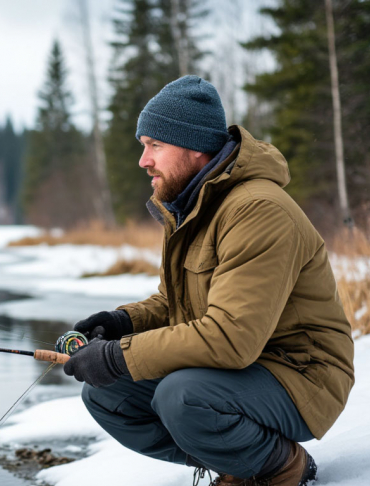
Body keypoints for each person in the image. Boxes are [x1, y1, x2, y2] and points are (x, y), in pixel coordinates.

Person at [63, 75, 354, 486]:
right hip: (243, 369)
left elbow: (232, 338)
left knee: (181, 395)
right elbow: (174, 303)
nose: (143, 160)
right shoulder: (193, 206)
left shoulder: (257, 210)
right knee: (107, 393)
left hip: (302, 374)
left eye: (155, 146)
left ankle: (279, 466)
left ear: (195, 146)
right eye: (143, 146)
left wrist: (118, 354)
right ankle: (238, 462)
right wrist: (122, 323)